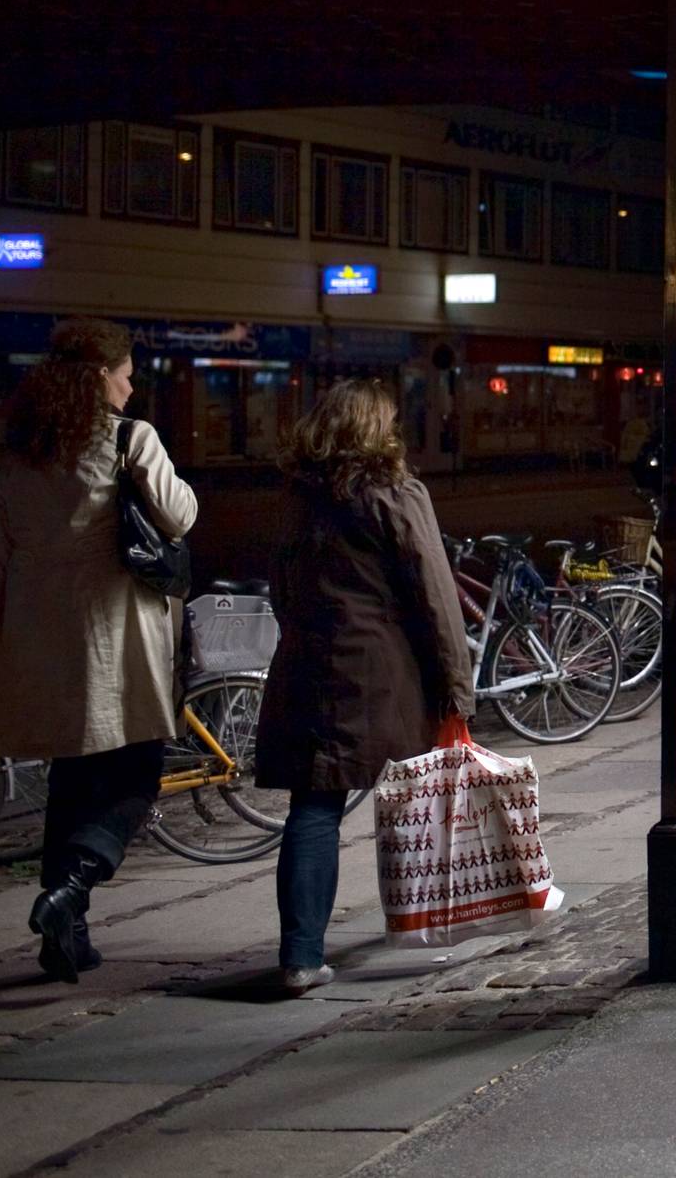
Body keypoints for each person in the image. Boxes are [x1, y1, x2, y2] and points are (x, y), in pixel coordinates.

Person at [0, 316, 196, 983]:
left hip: (43, 632)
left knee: (72, 777)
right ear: (100, 377)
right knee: (136, 770)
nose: (132, 388)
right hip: (114, 633)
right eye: (126, 375)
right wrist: (148, 465)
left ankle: (66, 939)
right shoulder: (130, 439)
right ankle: (71, 888)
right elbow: (180, 514)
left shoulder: (20, 454)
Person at [258, 378, 475, 995]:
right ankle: (426, 923)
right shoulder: (395, 493)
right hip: (380, 672)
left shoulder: (299, 498)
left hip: (308, 665)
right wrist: (457, 688)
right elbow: (435, 595)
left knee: (313, 808)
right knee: (417, 798)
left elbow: (280, 584)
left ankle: (300, 957)